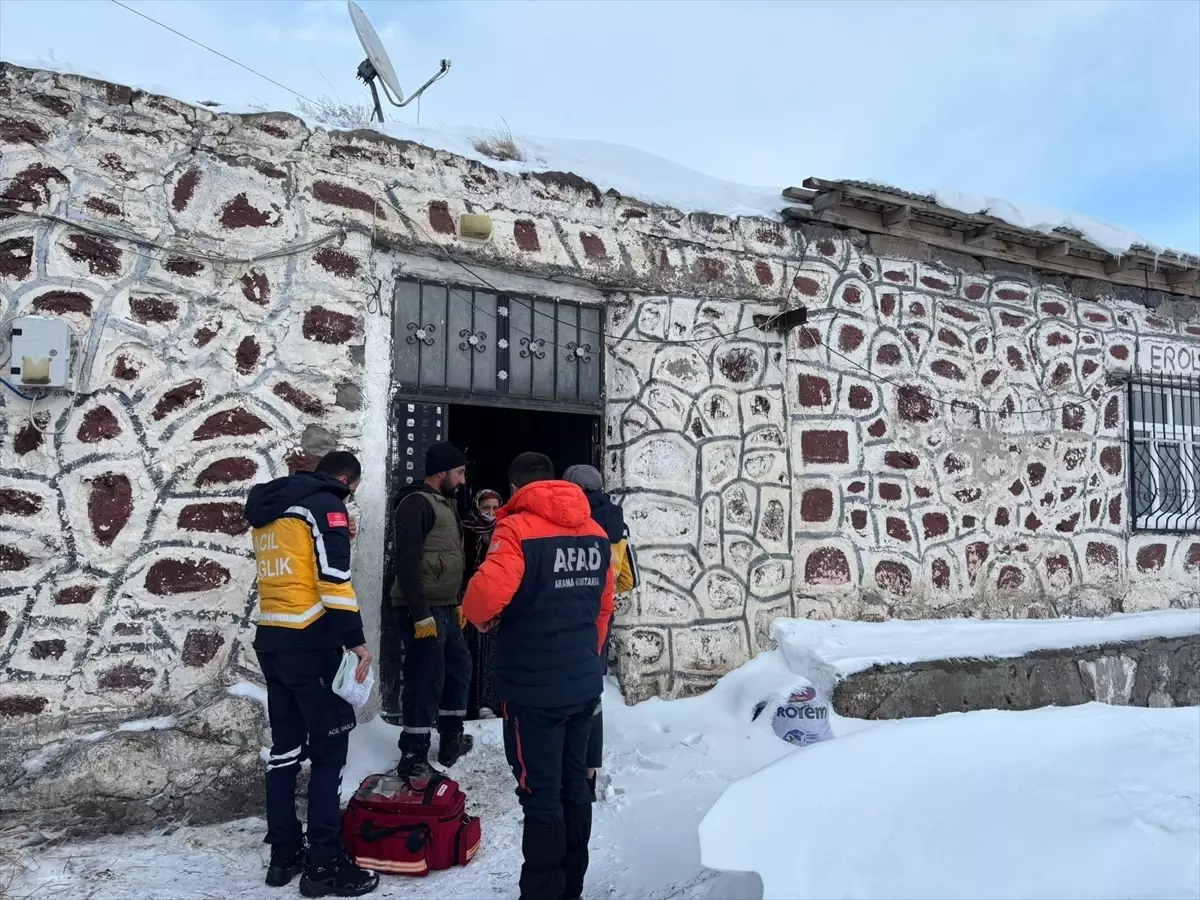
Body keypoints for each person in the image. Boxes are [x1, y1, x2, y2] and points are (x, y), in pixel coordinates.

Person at [462, 452, 615, 900]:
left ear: (515, 489)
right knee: (575, 785)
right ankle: (572, 888)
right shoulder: (595, 532)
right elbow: (604, 610)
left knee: (541, 793)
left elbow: (484, 597)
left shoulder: (516, 529)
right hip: (582, 683)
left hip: (534, 691)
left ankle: (542, 892)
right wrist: (584, 653)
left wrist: (481, 617)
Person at [245, 450, 378, 897]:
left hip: (273, 638)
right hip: (314, 641)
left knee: (284, 750)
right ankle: (324, 866)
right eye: (351, 490)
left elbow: (293, 567)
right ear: (346, 480)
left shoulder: (270, 508)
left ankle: (284, 855)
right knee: (328, 754)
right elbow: (333, 579)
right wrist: (357, 640)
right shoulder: (326, 504)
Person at [390, 441, 472, 778]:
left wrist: (458, 600)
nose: (463, 480)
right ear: (442, 472)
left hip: (446, 606)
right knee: (425, 679)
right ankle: (413, 753)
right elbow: (407, 562)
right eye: (460, 472)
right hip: (421, 609)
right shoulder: (415, 504)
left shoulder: (445, 504)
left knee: (458, 669)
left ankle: (451, 738)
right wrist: (420, 611)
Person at [563, 464, 638, 803]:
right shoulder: (617, 522)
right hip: (600, 620)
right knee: (591, 698)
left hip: (567, 617)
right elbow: (628, 580)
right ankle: (588, 774)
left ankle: (561, 766)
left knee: (560, 693)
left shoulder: (569, 517)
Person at [463, 488, 503, 720]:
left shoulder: (506, 530)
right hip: (474, 599)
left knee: (495, 653)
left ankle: (495, 701)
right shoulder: (467, 530)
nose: (491, 513)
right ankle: (476, 703)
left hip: (498, 601)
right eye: (485, 508)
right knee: (474, 653)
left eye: (495, 508)